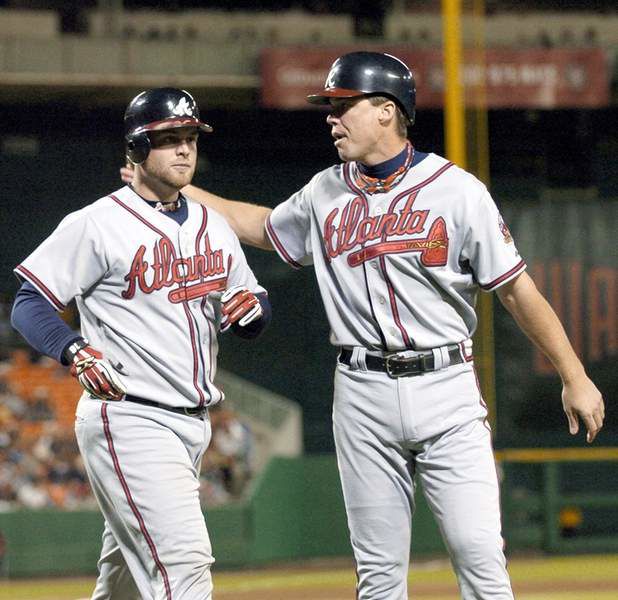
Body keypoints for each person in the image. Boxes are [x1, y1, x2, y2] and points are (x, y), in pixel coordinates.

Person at [122, 52, 605, 600]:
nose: (331, 118)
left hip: (445, 384)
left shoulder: (457, 190)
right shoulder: (325, 189)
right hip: (361, 389)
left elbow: (518, 290)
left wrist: (575, 375)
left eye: (342, 106)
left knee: (479, 555)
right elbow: (260, 227)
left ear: (385, 111)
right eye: (330, 107)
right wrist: (179, 193)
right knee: (377, 575)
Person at [12, 87, 271, 600]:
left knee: (125, 581)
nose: (183, 150)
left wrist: (252, 312)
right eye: (168, 139)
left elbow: (251, 301)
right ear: (136, 150)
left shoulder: (212, 226)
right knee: (184, 566)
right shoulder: (96, 223)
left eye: (190, 138)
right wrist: (73, 348)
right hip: (129, 416)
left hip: (193, 424)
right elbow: (30, 303)